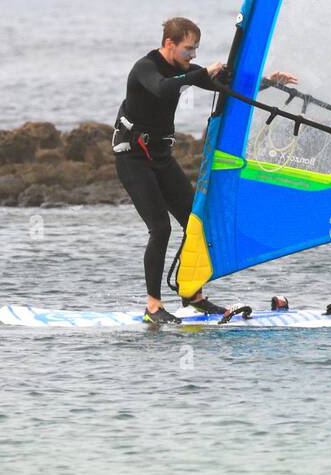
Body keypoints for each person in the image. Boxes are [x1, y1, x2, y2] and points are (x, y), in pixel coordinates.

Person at [114, 16, 295, 327]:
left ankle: (193, 297)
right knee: (160, 229)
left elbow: (230, 87)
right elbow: (161, 89)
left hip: (160, 157)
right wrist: (198, 74)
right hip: (132, 159)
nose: (193, 56)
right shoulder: (146, 68)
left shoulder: (183, 69)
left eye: (196, 49)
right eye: (188, 50)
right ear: (169, 44)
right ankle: (153, 306)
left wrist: (269, 83)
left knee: (195, 223)